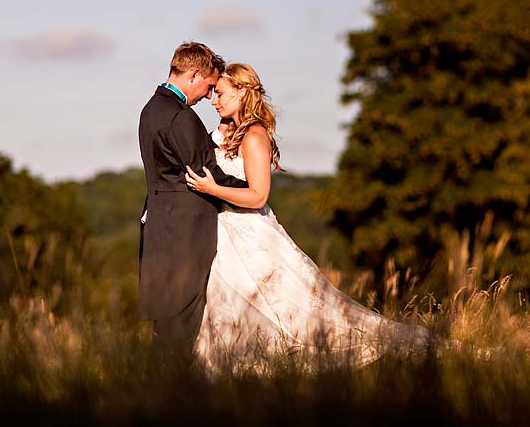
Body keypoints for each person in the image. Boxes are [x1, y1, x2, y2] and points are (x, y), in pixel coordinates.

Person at [185, 63, 429, 370]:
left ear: (242, 91)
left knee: (289, 308)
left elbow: (259, 195)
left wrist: (212, 189)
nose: (213, 100)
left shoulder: (254, 136)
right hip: (226, 234)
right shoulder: (227, 131)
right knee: (233, 305)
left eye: (220, 93)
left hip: (252, 232)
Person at [138, 42, 251, 355]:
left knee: (166, 331)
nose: (209, 96)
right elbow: (206, 174)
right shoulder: (180, 117)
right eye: (210, 86)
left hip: (162, 225)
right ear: (195, 74)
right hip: (186, 234)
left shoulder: (151, 109)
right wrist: (250, 190)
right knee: (182, 333)